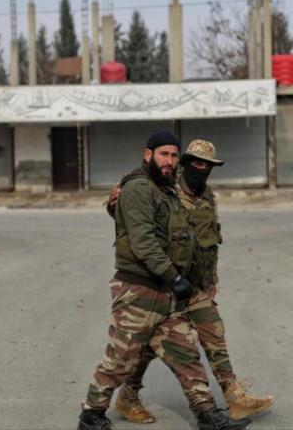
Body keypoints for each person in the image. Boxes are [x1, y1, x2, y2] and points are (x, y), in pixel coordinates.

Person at [78, 130, 250, 430]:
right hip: (139, 290)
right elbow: (143, 242)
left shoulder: (166, 190)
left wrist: (193, 278)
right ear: (149, 155)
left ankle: (207, 414)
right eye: (163, 155)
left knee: (186, 353)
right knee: (120, 360)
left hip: (166, 292)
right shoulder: (139, 188)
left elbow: (186, 237)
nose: (169, 161)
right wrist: (175, 276)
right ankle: (91, 415)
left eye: (173, 155)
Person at [106, 139, 275, 424]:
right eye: (195, 163)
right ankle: (128, 396)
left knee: (214, 334)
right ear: (183, 163)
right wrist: (113, 203)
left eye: (207, 165)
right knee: (144, 346)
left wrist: (212, 279)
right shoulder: (165, 188)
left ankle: (234, 396)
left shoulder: (208, 196)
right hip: (164, 282)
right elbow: (131, 217)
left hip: (195, 286)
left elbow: (211, 242)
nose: (201, 168)